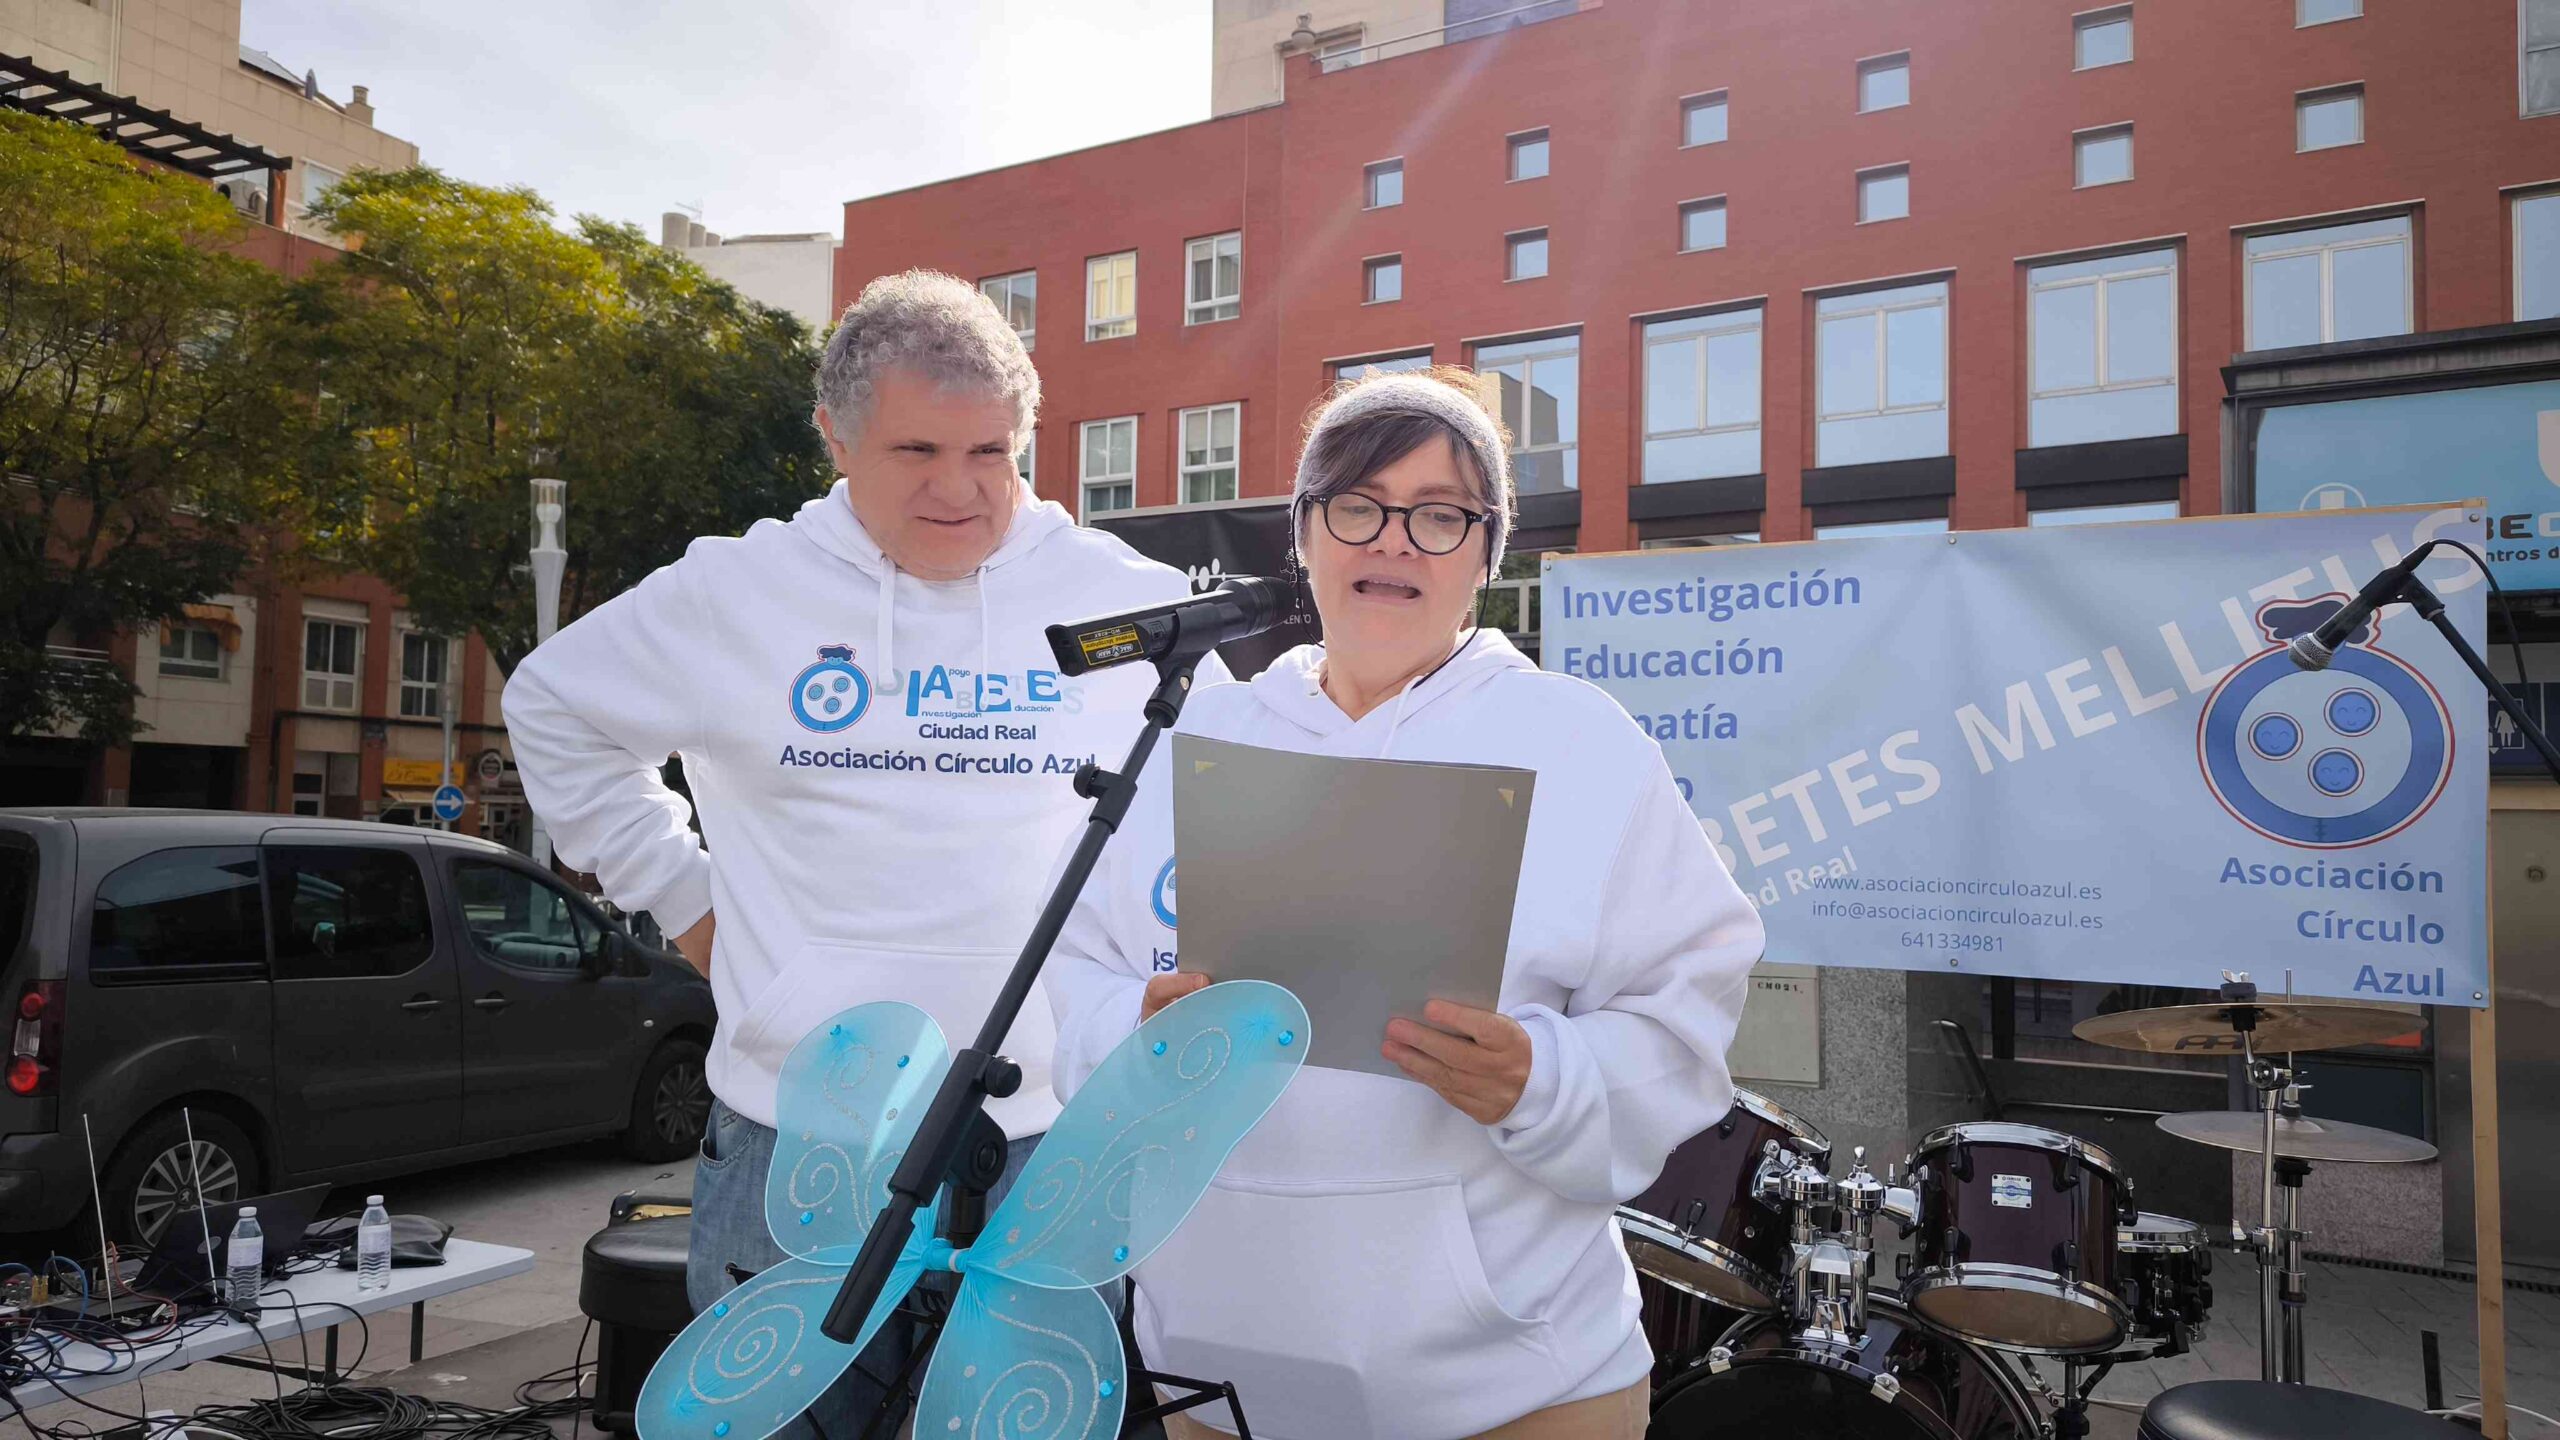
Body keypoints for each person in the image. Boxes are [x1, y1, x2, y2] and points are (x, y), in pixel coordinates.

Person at [504, 269, 1211, 1436]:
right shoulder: (740, 591)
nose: (959, 489)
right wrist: (686, 902)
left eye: (992, 452)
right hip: (797, 1145)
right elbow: (552, 708)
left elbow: (1212, 788)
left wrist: (1173, 956)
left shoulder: (1114, 600)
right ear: (834, 434)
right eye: (917, 450)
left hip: (1048, 1143)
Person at [1044, 370, 1765, 1440]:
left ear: (1487, 550)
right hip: (1217, 1374)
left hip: (1514, 1382)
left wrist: (1544, 1075)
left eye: (1439, 515)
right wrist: (1137, 1027)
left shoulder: (1580, 741)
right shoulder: (1191, 741)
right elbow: (1077, 977)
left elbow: (1683, 1014)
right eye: (1357, 505)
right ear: (1304, 532)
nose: (1393, 541)